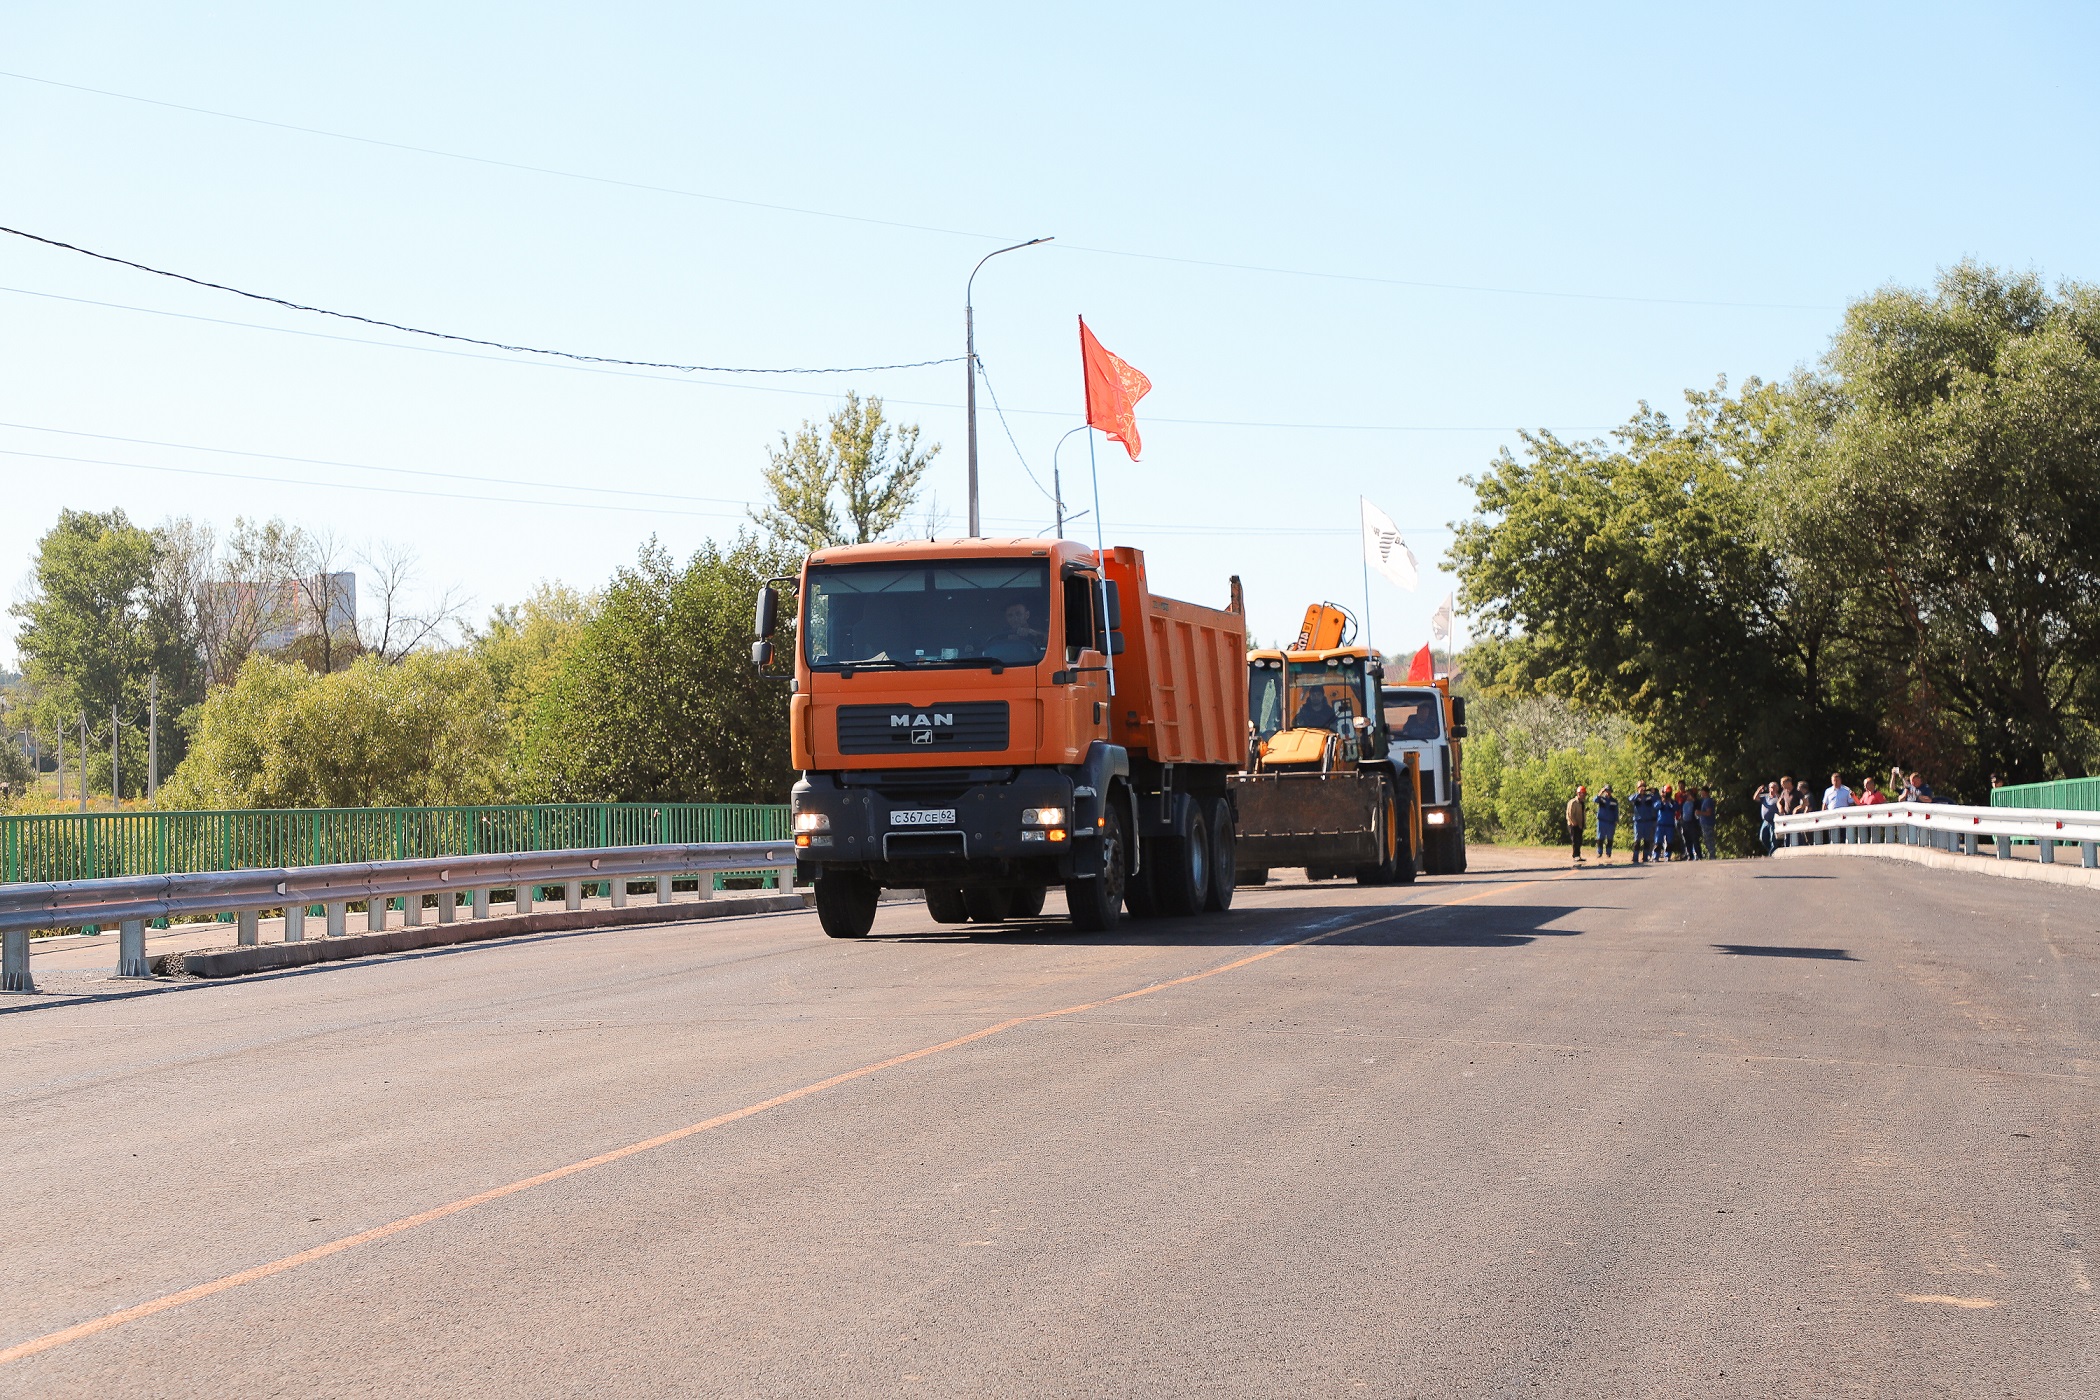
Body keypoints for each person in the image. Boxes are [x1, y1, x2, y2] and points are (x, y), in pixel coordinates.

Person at [1630, 781, 1659, 864]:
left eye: (1643, 787)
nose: (1642, 788)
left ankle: (1645, 857)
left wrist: (1655, 792)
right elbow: (1630, 799)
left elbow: (1657, 798)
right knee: (1637, 840)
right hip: (1638, 822)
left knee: (1647, 840)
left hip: (1647, 822)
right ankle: (1635, 857)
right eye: (1640, 787)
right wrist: (1638, 794)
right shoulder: (1636, 797)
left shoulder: (1649, 797)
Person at [1594, 783, 1620, 862]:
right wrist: (1600, 792)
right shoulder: (1601, 799)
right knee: (1600, 838)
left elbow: (1616, 811)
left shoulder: (1614, 801)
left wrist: (1616, 820)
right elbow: (1595, 800)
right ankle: (1599, 852)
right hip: (1602, 821)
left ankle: (1608, 853)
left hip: (1610, 822)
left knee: (1610, 838)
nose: (1608, 792)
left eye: (1609, 790)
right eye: (1606, 790)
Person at [1654, 785, 1679, 862]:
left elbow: (1677, 808)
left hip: (1670, 825)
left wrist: (1670, 802)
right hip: (1660, 824)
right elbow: (1655, 807)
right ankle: (1656, 856)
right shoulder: (1660, 801)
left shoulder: (1673, 802)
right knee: (1658, 842)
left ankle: (1668, 856)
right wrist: (1662, 801)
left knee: (1669, 842)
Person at [1566, 784, 1588, 865]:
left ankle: (1578, 855)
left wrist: (1583, 823)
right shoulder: (1573, 802)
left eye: (1584, 793)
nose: (1584, 795)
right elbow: (1569, 813)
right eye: (1582, 793)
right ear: (1578, 793)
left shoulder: (1582, 803)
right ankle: (1575, 855)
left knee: (1579, 840)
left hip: (1580, 824)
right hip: (1573, 825)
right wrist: (1574, 822)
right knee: (1575, 840)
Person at [1696, 786, 1717, 858]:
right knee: (1706, 840)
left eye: (1702, 791)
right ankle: (1711, 855)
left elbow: (1709, 813)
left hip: (1708, 823)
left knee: (1709, 839)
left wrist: (1700, 813)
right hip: (1704, 823)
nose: (1701, 793)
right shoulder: (1703, 801)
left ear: (1705, 792)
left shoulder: (1708, 801)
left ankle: (1712, 855)